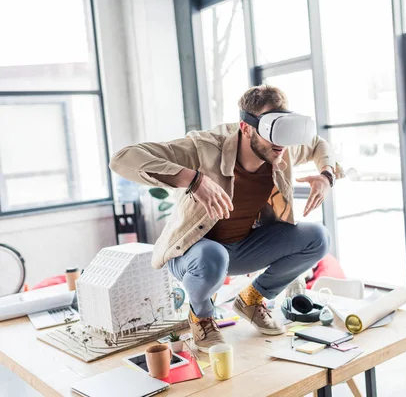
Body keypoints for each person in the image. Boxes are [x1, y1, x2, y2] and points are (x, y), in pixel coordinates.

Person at [109, 85, 342, 352]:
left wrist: (326, 175)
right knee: (213, 256)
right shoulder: (205, 147)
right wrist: (194, 180)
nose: (281, 144)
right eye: (271, 132)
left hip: (242, 248)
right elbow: (122, 159)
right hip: (192, 254)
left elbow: (319, 145)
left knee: (318, 238)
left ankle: (252, 299)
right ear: (246, 128)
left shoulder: (280, 149)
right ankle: (201, 315)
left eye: (284, 131)